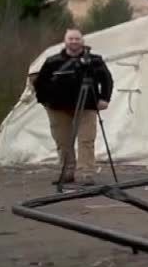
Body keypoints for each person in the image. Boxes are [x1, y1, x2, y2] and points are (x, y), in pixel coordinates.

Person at [32, 28, 114, 185]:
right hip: (58, 107)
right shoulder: (52, 61)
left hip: (87, 106)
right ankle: (67, 171)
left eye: (77, 39)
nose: (74, 42)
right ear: (65, 41)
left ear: (83, 41)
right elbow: (40, 83)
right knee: (63, 141)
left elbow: (107, 80)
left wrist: (104, 99)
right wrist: (45, 101)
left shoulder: (94, 61)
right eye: (71, 39)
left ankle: (86, 173)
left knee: (86, 140)